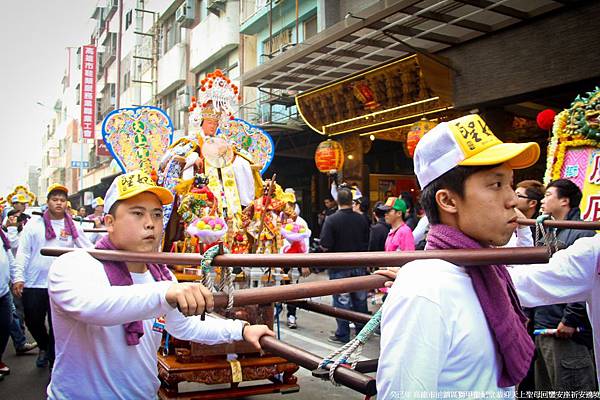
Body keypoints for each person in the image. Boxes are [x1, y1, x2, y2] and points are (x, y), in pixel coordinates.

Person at [46, 170, 273, 399]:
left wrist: (242, 330)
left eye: (156, 215)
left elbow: (185, 327)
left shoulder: (161, 277)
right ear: (109, 222)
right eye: (137, 213)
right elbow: (93, 306)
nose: (150, 224)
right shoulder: (73, 265)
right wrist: (166, 294)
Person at [375, 114, 541, 398]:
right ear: (448, 200)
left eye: (511, 184)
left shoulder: (490, 269)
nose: (513, 200)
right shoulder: (425, 290)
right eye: (496, 184)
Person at [12, 184, 93, 370]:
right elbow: (23, 252)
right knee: (33, 321)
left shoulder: (74, 226)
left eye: (62, 200)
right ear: (47, 202)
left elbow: (88, 249)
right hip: (34, 283)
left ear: (66, 204)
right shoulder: (34, 225)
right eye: (55, 199)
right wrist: (18, 277)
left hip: (62, 284)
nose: (58, 203)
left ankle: (53, 361)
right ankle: (44, 345)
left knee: (59, 326)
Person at [530, 179, 596, 391]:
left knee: (570, 387)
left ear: (565, 200)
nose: (543, 199)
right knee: (545, 387)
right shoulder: (550, 229)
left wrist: (570, 319)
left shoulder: (582, 233)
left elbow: (583, 279)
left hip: (564, 329)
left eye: (549, 195)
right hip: (544, 324)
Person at [319, 187, 370, 344]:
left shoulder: (332, 220)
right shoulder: (362, 219)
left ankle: (343, 334)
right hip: (359, 264)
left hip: (339, 266)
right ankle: (363, 333)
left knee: (342, 302)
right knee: (360, 301)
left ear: (338, 201)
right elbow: (367, 240)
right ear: (351, 201)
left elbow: (325, 244)